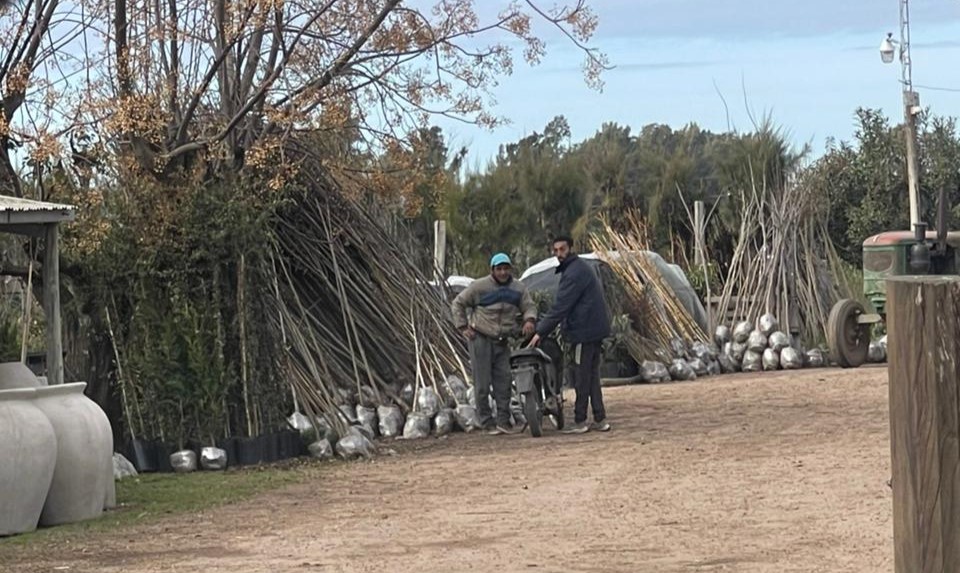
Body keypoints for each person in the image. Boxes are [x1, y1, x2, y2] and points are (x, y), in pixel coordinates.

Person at [528, 236, 612, 434]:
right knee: (591, 376)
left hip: (584, 332)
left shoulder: (574, 273)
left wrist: (539, 332)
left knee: (582, 376)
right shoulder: (580, 268)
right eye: (555, 250)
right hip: (594, 329)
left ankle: (580, 420)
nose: (559, 254)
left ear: (571, 248)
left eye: (562, 249)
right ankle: (600, 419)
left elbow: (561, 306)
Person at [451, 252, 537, 435]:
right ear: (492, 270)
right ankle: (486, 421)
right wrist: (462, 327)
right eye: (499, 269)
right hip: (481, 339)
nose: (503, 273)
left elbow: (529, 305)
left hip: (503, 341)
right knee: (482, 384)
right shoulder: (479, 287)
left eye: (506, 269)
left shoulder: (518, 289)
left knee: (504, 382)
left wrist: (529, 320)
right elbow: (458, 303)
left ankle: (503, 421)